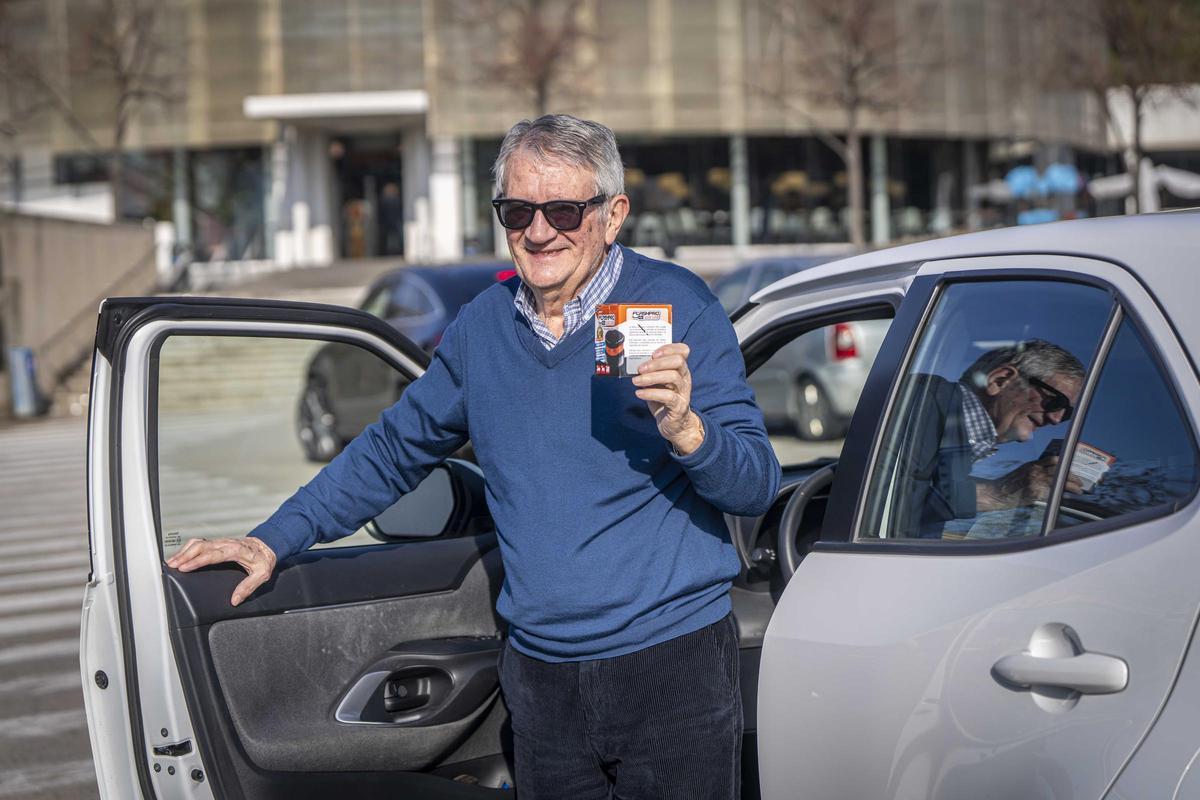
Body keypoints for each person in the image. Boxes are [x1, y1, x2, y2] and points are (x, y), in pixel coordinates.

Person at [166, 114, 781, 800]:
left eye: (564, 211)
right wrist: (273, 539)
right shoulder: (483, 328)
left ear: (613, 216)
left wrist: (688, 428)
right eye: (518, 210)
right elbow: (391, 450)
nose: (539, 231)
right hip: (543, 682)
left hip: (674, 667)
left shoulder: (677, 304)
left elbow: (754, 485)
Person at [891, 339, 1086, 539]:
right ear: (1000, 380)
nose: (1056, 419)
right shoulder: (918, 403)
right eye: (1056, 402)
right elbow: (887, 504)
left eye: (1068, 413)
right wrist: (999, 493)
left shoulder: (954, 429)